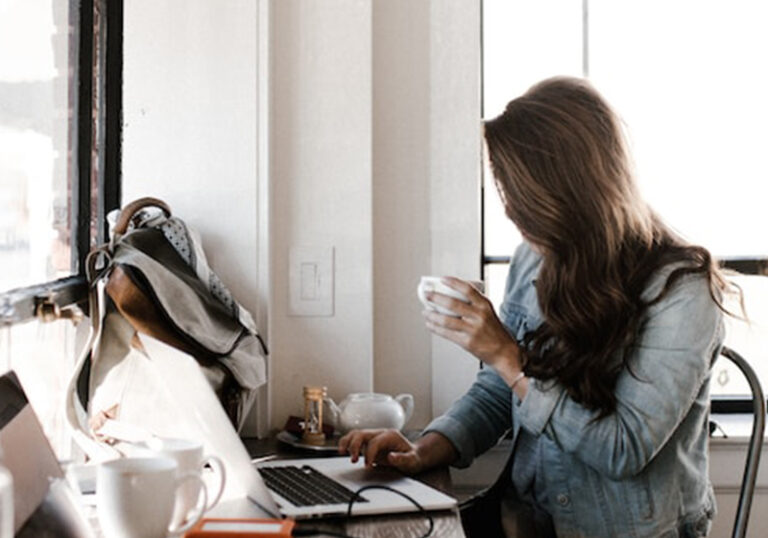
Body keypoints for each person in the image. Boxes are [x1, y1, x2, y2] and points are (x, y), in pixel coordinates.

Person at [338, 77, 734, 537]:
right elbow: (499, 392)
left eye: (519, 198)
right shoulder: (537, 258)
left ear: (570, 191)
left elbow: (622, 449)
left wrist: (508, 356)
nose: (511, 213)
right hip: (525, 520)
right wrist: (425, 448)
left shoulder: (683, 292)